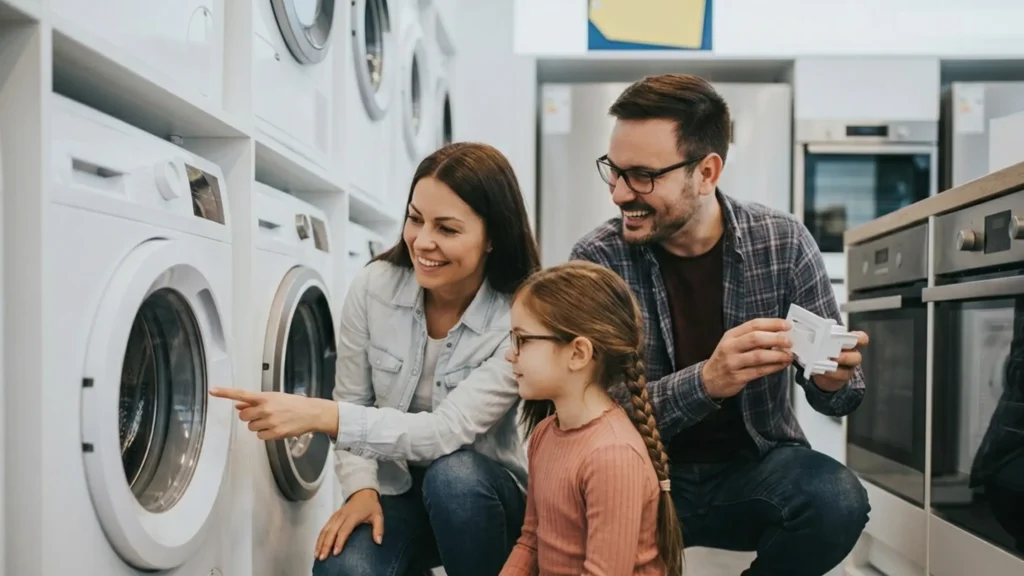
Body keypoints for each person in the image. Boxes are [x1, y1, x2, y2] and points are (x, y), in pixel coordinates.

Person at [568, 73, 872, 576]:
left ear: (706, 172)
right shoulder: (596, 260)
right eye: (614, 171)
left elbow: (842, 396)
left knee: (836, 499)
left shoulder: (782, 242)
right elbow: (589, 408)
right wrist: (707, 381)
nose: (620, 194)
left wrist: (831, 377)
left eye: (642, 175)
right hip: (638, 476)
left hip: (756, 472)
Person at [211, 142, 540, 576]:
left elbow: (442, 433)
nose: (423, 241)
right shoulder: (374, 287)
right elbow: (355, 396)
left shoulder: (514, 318)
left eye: (447, 229)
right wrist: (361, 489)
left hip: (482, 500)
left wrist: (321, 414)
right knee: (345, 568)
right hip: (397, 486)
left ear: (493, 236)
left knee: (453, 478)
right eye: (415, 218)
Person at [500, 261, 683, 576]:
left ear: (578, 353)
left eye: (523, 340)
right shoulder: (546, 433)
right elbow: (531, 541)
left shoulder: (612, 455)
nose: (509, 353)